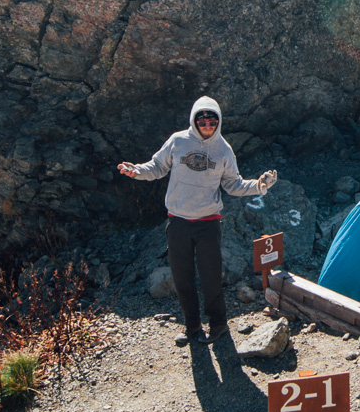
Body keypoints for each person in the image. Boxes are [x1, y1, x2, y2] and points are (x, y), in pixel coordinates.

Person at [119, 96, 277, 345]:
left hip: (208, 223)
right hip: (178, 221)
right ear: (194, 120)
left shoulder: (224, 149)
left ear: (218, 122)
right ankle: (192, 326)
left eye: (212, 120)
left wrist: (259, 185)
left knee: (211, 277)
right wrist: (137, 171)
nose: (207, 124)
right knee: (182, 277)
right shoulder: (177, 140)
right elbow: (157, 167)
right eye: (202, 120)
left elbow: (233, 184)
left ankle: (218, 324)